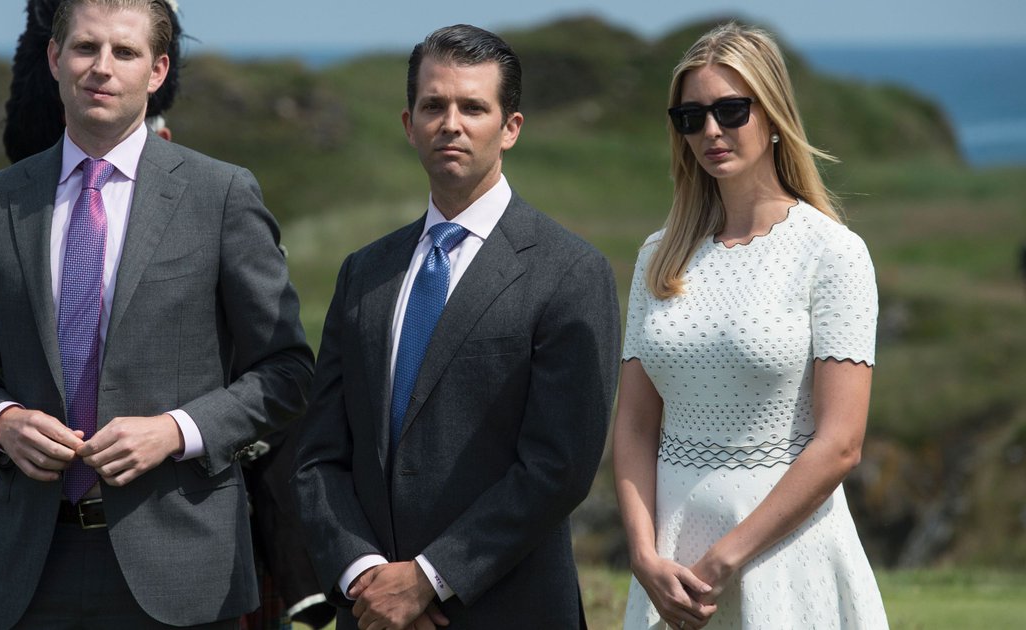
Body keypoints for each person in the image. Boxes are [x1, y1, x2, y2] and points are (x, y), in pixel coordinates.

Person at [0, 0, 314, 627]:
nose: (102, 67)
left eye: (126, 52)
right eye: (85, 47)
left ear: (158, 70)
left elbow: (287, 372)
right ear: (54, 58)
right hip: (27, 569)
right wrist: (1, 422)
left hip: (184, 567)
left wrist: (175, 431)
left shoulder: (221, 194)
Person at [292, 24, 620, 630]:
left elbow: (559, 467)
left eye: (473, 107)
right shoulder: (363, 272)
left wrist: (427, 580)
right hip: (371, 612)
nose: (451, 124)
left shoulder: (571, 271)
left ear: (510, 127)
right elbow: (319, 455)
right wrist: (366, 577)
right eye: (433, 106)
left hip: (509, 611)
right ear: (408, 123)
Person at [613, 22, 888, 629]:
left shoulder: (832, 253)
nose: (711, 130)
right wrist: (643, 556)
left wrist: (724, 559)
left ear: (773, 115)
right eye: (691, 117)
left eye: (731, 110)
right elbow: (633, 424)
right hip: (670, 563)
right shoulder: (658, 256)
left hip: (785, 559)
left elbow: (841, 444)